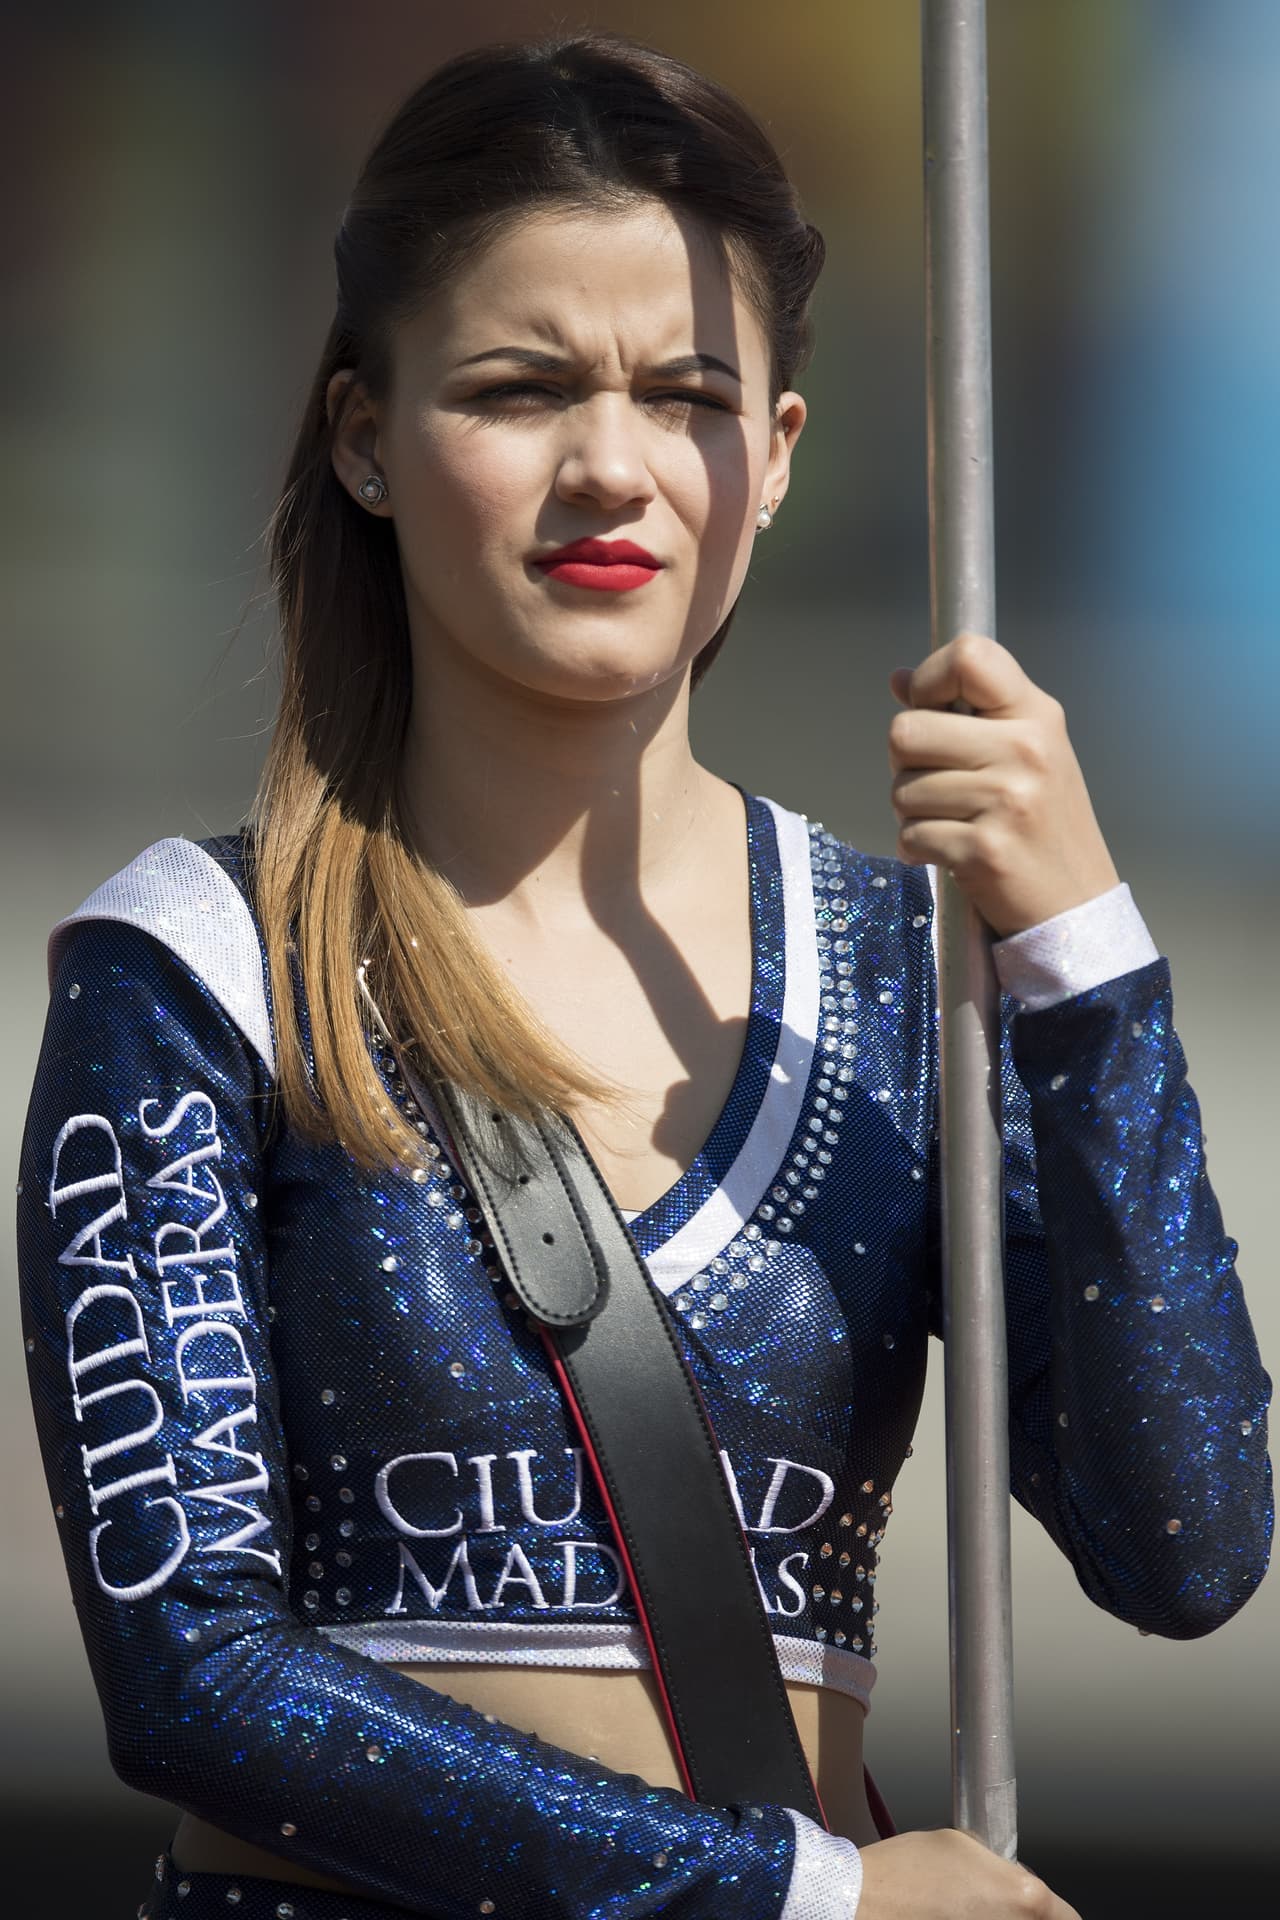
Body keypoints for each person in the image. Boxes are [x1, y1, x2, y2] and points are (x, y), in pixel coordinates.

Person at [17, 31, 1271, 1920]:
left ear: (777, 456)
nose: (611, 467)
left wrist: (1084, 957)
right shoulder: (200, 967)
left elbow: (1183, 1542)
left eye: (687, 396)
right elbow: (193, 1677)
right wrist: (805, 1900)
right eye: (520, 389)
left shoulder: (902, 973)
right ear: (364, 437)